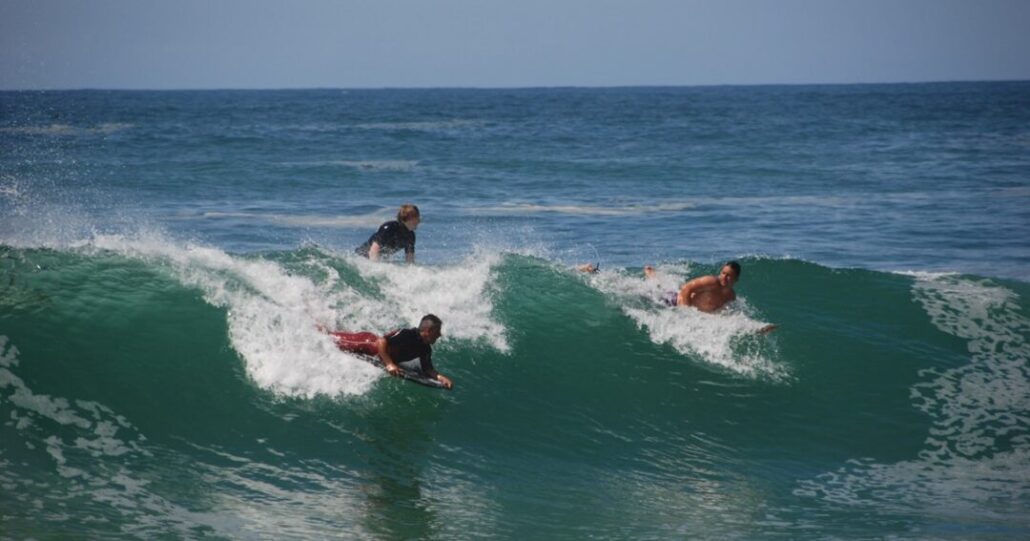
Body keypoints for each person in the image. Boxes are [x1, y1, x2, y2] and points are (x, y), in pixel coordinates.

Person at [328, 314, 454, 389]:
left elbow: (427, 369)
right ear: (427, 331)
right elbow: (382, 341)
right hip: (367, 343)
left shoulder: (425, 348)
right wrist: (389, 364)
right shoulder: (407, 334)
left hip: (375, 351)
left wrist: (440, 377)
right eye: (437, 331)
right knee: (330, 338)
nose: (439, 335)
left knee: (335, 336)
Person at [645, 261, 742, 313]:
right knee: (657, 290)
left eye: (728, 275)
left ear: (736, 279)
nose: (724, 277)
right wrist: (685, 312)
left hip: (694, 312)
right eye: (723, 273)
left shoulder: (730, 296)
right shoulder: (711, 282)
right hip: (674, 302)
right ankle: (651, 273)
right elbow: (686, 289)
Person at [355, 204, 420, 262]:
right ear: (411, 217)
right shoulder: (390, 227)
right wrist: (375, 268)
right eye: (418, 217)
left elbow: (410, 261)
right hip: (361, 257)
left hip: (378, 259)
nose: (419, 220)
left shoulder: (411, 236)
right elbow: (374, 250)